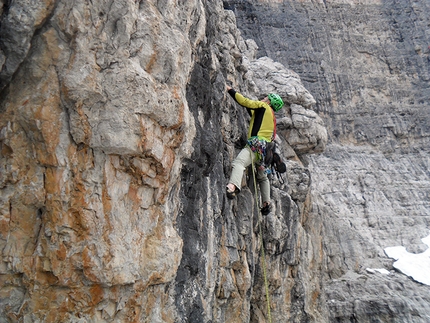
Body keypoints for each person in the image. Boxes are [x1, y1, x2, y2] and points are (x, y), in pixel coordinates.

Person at [225, 85, 284, 215]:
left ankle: (233, 186)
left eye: (265, 98)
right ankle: (266, 203)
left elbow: (246, 102)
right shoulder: (270, 116)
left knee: (239, 163)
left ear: (269, 101)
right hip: (265, 153)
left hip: (256, 145)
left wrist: (230, 90)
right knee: (262, 177)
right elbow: (251, 111)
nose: (263, 98)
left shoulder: (263, 106)